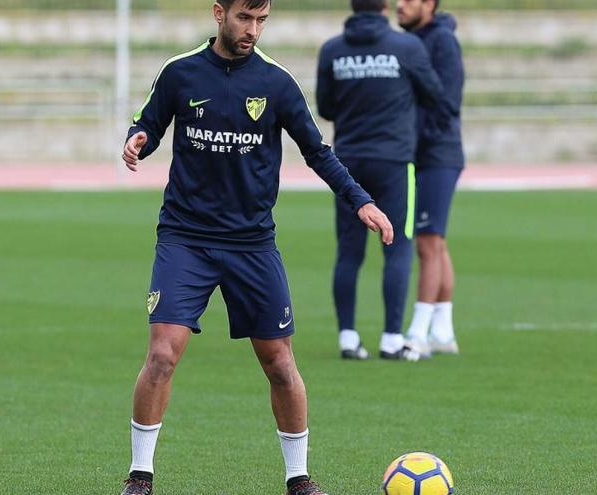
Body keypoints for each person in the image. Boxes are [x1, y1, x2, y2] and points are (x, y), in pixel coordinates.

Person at [119, 1, 393, 494]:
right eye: (245, 18)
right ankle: (140, 475)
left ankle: (298, 479)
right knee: (162, 355)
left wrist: (361, 202)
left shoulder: (276, 83)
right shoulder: (180, 72)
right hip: (186, 238)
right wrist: (137, 138)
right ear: (219, 13)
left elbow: (317, 151)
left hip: (251, 244)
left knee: (280, 363)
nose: (253, 30)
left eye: (262, 20)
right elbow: (150, 123)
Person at [316, 0, 454, 361]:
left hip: (346, 164)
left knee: (348, 251)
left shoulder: (332, 49)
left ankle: (348, 337)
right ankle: (392, 337)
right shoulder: (407, 47)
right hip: (394, 160)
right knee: (398, 246)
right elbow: (436, 93)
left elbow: (326, 107)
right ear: (384, 7)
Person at [396, 0, 466, 359]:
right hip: (423, 153)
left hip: (437, 154)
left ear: (429, 4)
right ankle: (443, 330)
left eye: (409, 0)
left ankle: (418, 332)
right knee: (436, 243)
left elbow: (447, 101)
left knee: (426, 241)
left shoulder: (441, 41)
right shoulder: (414, 40)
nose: (399, 5)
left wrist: (413, 135)